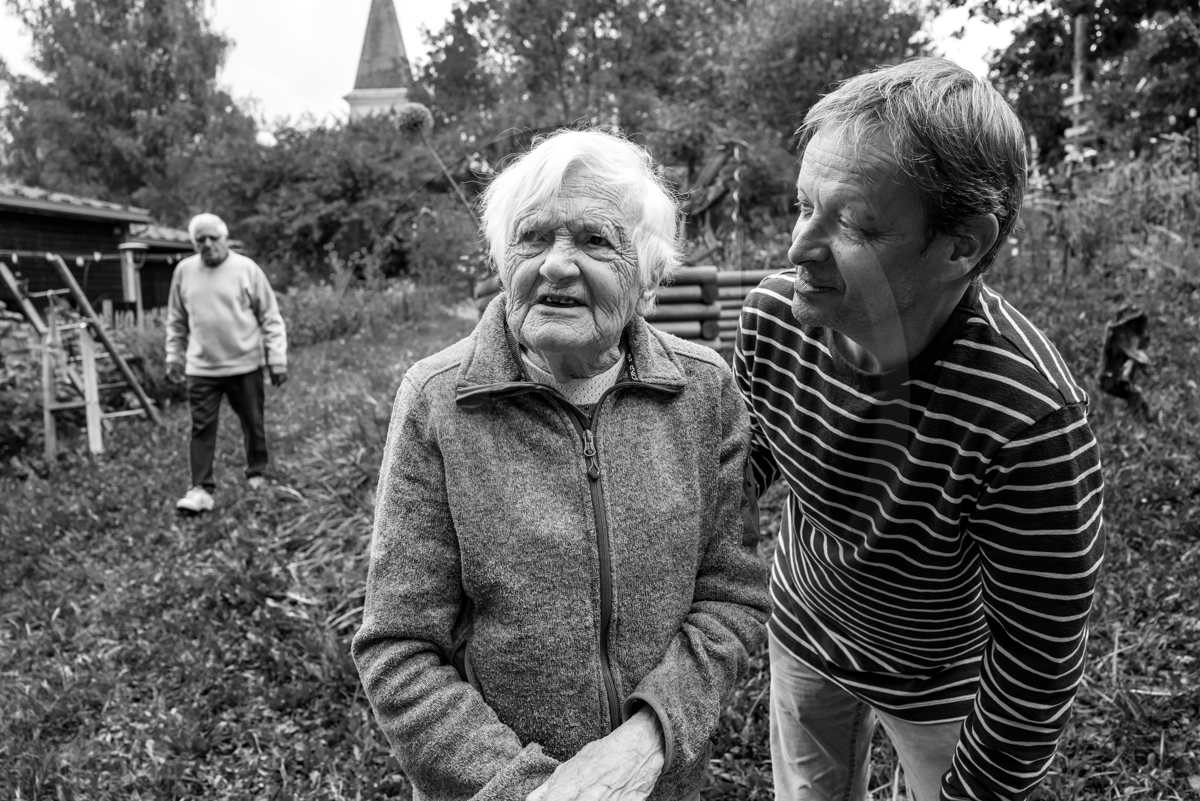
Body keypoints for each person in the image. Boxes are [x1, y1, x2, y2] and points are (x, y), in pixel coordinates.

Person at [352, 129, 770, 801]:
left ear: (649, 274)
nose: (555, 265)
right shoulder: (438, 400)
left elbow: (732, 596)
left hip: (658, 783)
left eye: (595, 240)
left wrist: (646, 744)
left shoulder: (704, 391)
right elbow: (399, 647)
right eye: (533, 238)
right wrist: (531, 789)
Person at [734, 58, 1104, 801]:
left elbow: (1039, 652)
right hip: (805, 626)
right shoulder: (775, 318)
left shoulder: (1027, 419)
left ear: (962, 244)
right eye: (804, 205)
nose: (799, 248)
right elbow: (757, 450)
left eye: (854, 223)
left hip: (938, 680)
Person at [166, 213, 288, 513]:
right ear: (194, 244)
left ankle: (257, 472)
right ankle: (200, 489)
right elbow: (176, 319)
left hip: (244, 365)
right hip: (201, 368)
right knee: (201, 428)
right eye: (201, 240)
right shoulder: (184, 271)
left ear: (225, 239)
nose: (208, 244)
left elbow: (270, 317)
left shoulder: (247, 269)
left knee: (253, 422)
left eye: (213, 238)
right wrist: (173, 354)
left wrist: (276, 358)